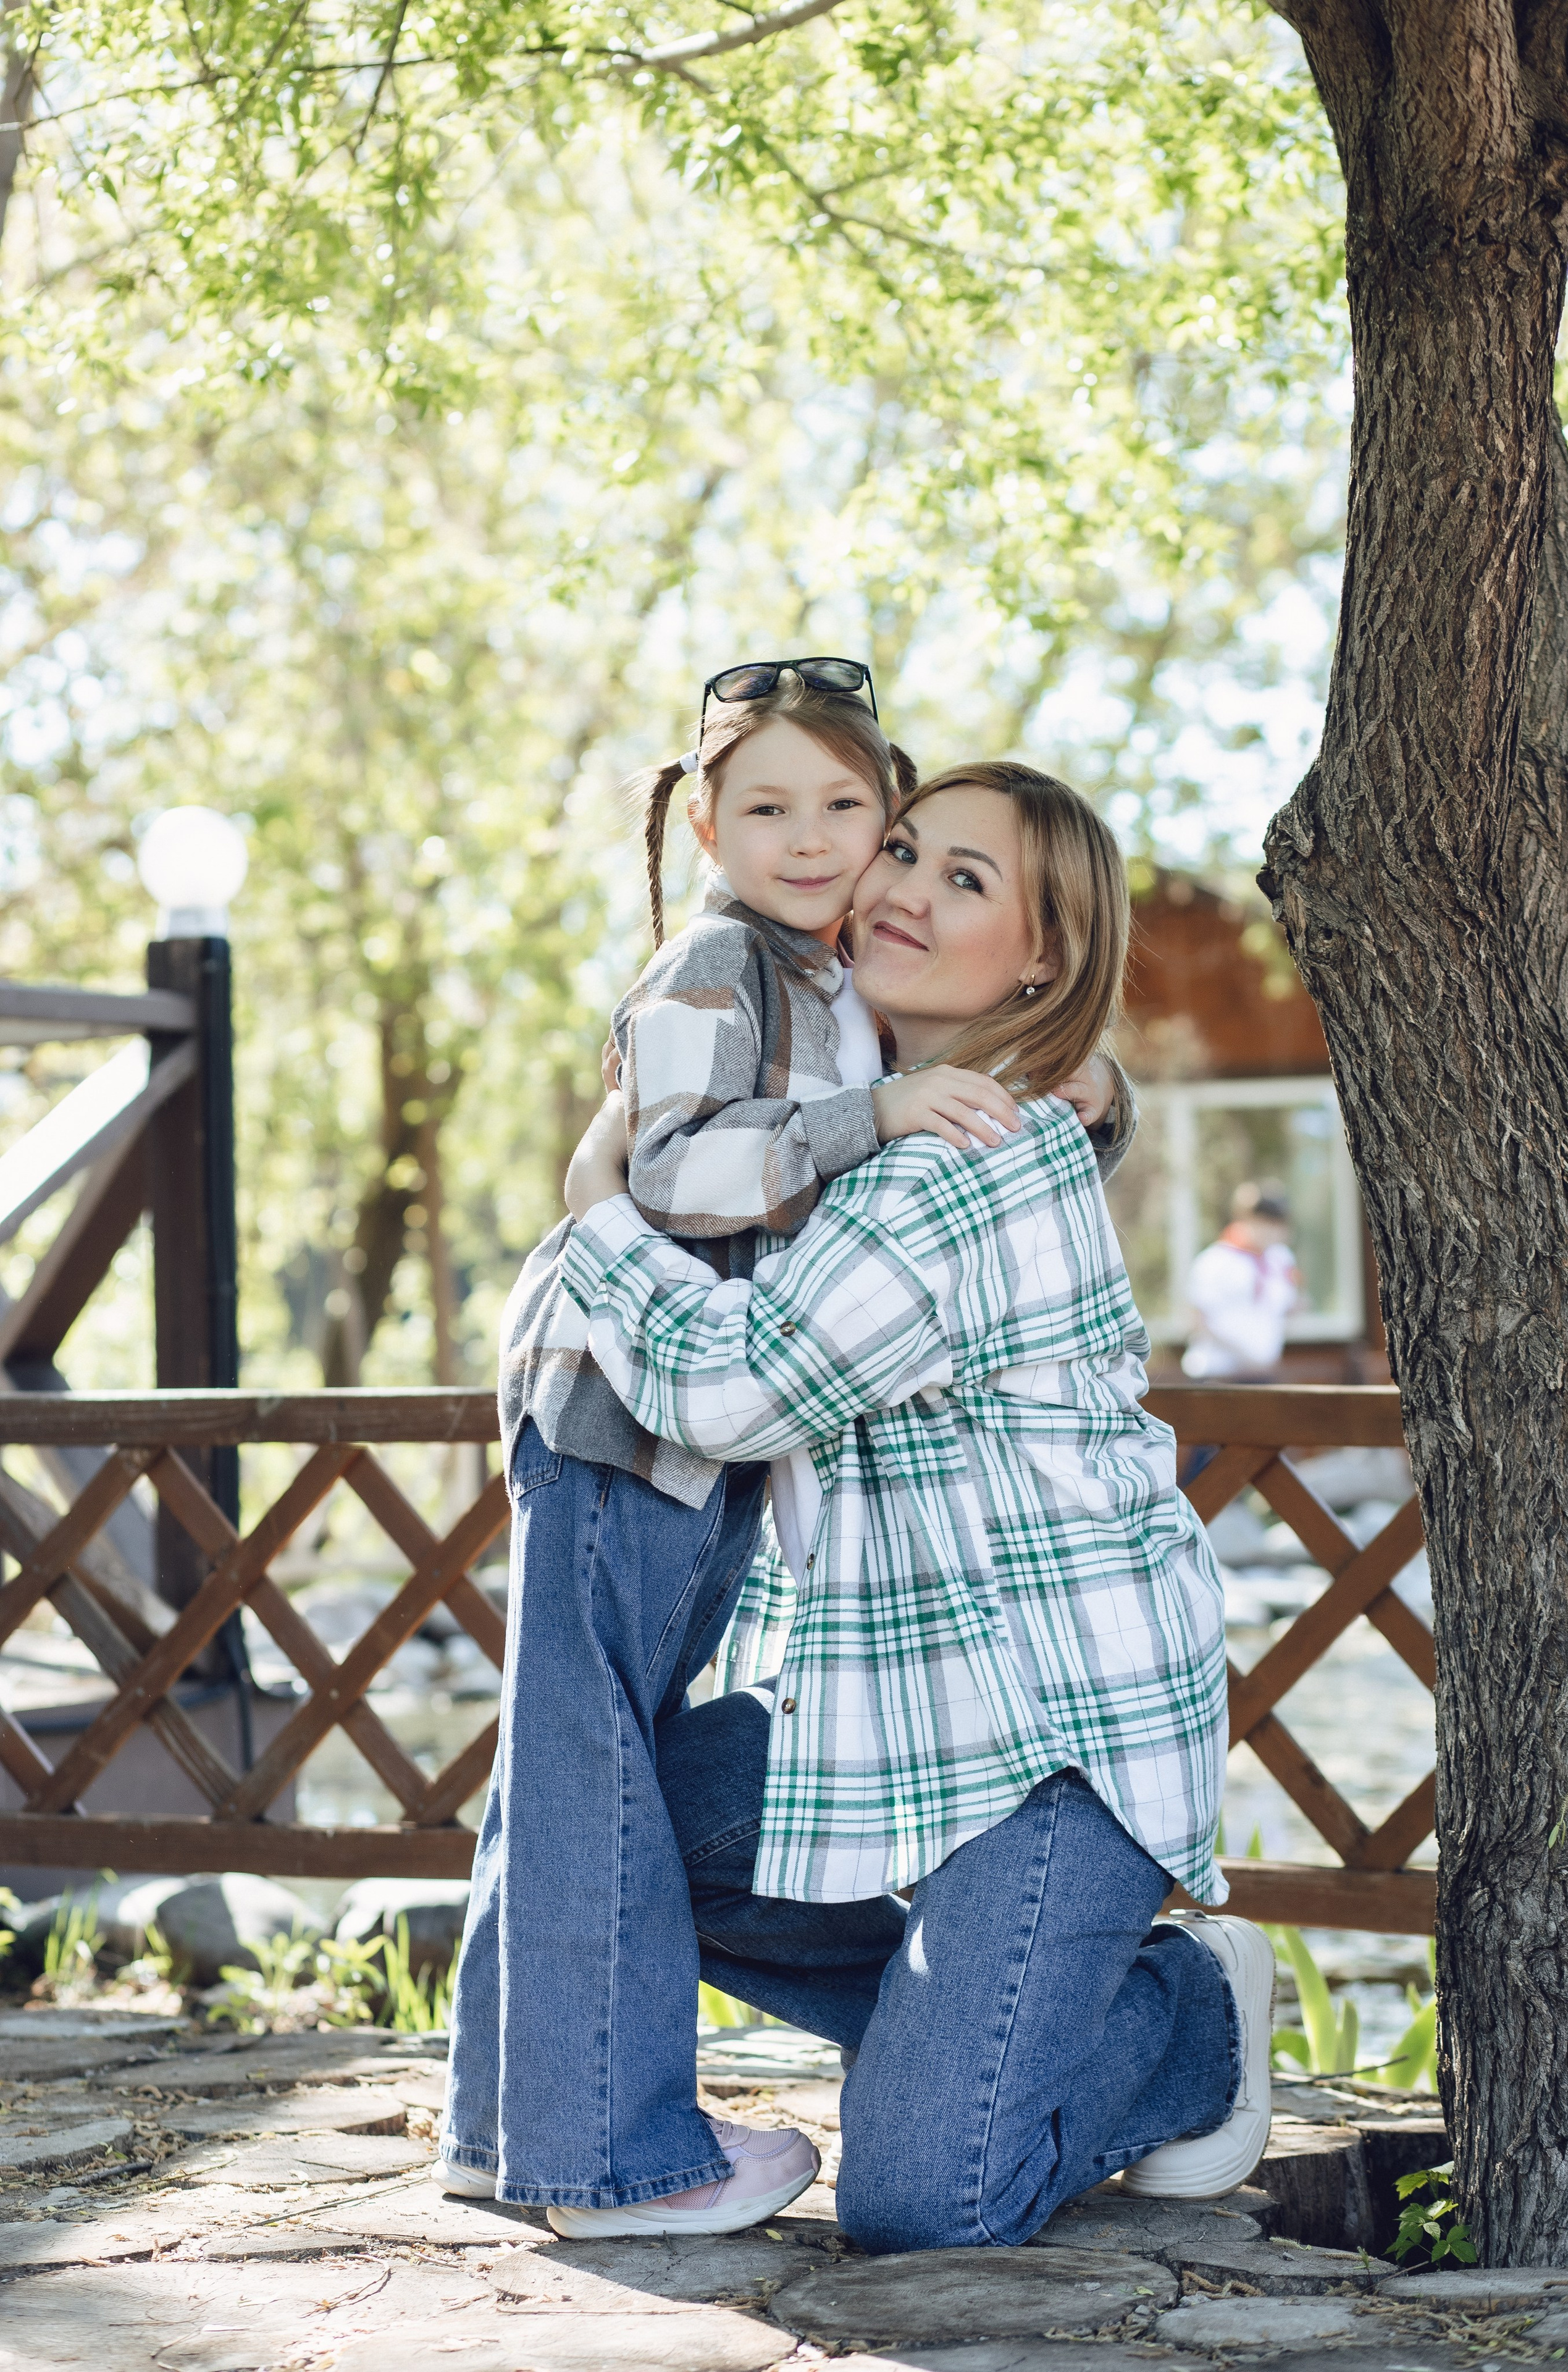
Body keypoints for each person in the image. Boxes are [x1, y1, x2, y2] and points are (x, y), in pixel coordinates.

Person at [438, 665, 1129, 2227]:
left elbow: (983, 1088)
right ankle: (596, 2149)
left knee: (579, 1763)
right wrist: (848, 1126)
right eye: (773, 810)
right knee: (585, 1761)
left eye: (855, 815)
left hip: (782, 1507)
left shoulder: (855, 1016)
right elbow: (675, 1173)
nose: (831, 851)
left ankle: (509, 2122)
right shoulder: (734, 971)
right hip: (627, 1425)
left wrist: (1088, 1085)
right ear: (706, 826)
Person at [556, 760, 1275, 2252]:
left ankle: (1185, 2008)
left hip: (1053, 1740)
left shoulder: (958, 1163)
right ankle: (972, 2040)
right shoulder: (876, 1121)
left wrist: (598, 1218)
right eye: (900, 851)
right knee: (622, 1823)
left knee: (924, 2200)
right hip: (899, 1710)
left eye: (965, 880)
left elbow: (732, 1391)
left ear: (1041, 958)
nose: (899, 890)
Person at [1182, 1180, 1301, 1381]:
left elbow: (1286, 1306)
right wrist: (1245, 1353)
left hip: (1263, 1375)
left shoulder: (1281, 1259)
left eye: (1276, 1222)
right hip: (1217, 1375)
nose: (1270, 1229)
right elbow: (1197, 1319)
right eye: (1262, 1220)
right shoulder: (1215, 1260)